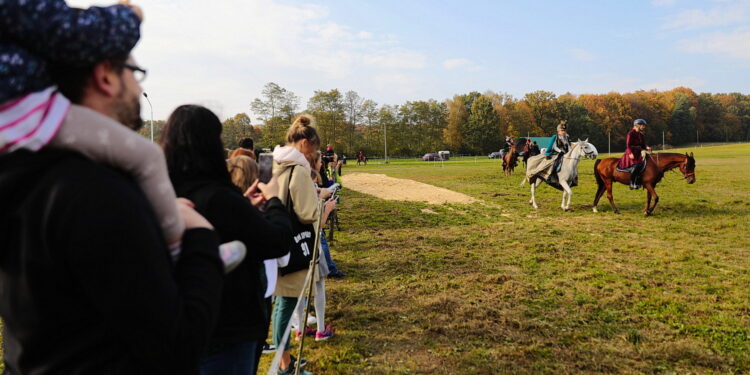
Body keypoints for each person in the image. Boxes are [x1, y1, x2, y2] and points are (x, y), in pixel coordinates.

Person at [0, 43, 225, 375]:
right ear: (106, 76)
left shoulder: (28, 177)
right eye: (135, 74)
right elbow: (177, 346)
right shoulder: (99, 192)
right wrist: (201, 238)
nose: (140, 87)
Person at [0, 0, 248, 269]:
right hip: (28, 114)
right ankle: (179, 250)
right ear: (105, 75)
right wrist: (128, 16)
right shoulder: (91, 191)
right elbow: (76, 33)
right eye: (134, 73)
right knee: (147, 155)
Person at [161, 104, 294, 375]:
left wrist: (243, 206)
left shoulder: (163, 194)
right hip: (229, 327)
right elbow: (276, 241)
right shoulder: (219, 197)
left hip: (178, 324)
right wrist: (275, 200)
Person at [272, 115, 327, 375]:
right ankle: (284, 365)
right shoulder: (299, 169)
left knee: (281, 304)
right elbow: (307, 213)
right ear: (305, 143)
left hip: (278, 240)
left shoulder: (275, 163)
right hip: (296, 246)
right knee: (286, 305)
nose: (313, 155)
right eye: (314, 150)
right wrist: (323, 205)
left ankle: (283, 358)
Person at [618, 118, 652, 189]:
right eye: (642, 125)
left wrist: (647, 147)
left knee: (645, 164)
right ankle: (632, 183)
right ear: (637, 125)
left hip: (638, 153)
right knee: (636, 166)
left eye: (644, 126)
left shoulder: (641, 135)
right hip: (631, 153)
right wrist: (630, 153)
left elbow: (643, 145)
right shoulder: (631, 133)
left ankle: (640, 181)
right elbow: (628, 145)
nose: (644, 127)